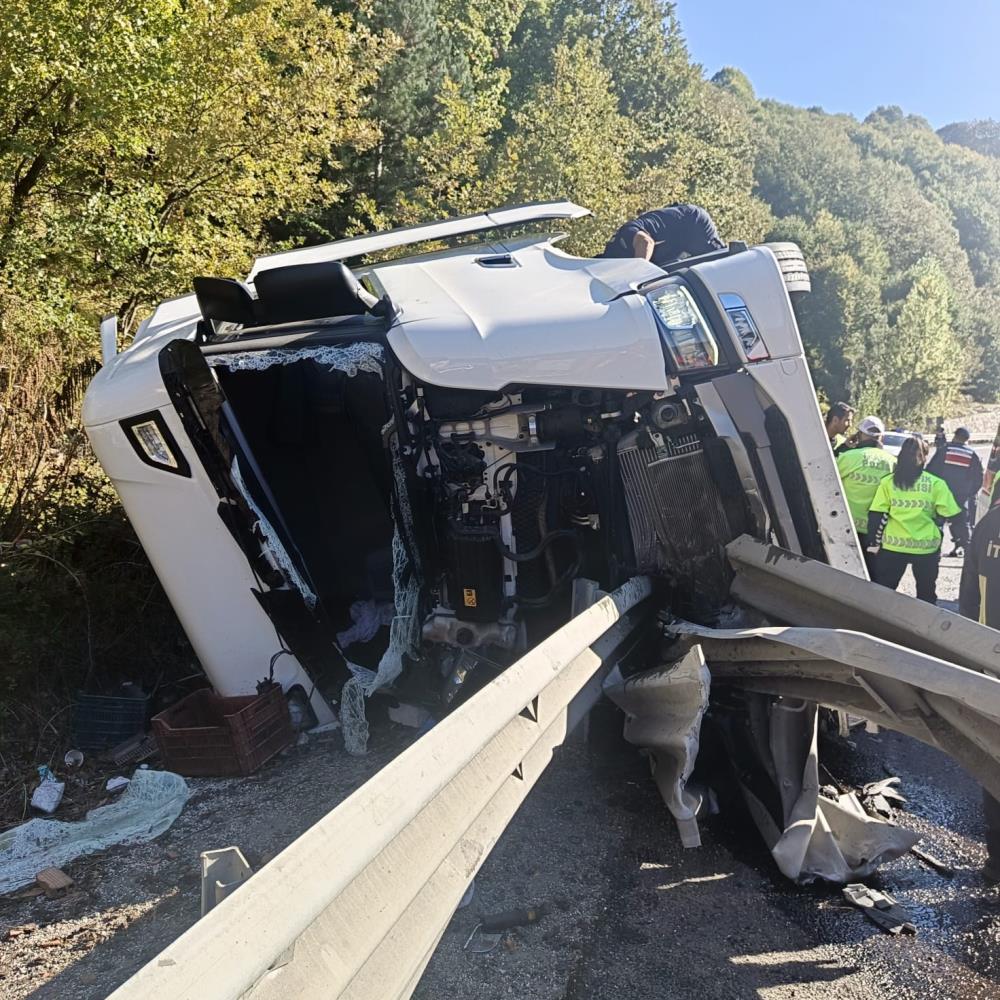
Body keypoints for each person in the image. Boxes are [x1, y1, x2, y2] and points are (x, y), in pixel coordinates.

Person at [957, 476, 1000, 883]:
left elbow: (968, 600)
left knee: (995, 763)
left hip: (991, 665)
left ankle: (997, 861)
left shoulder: (990, 523)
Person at [867, 435, 961, 604]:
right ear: (924, 457)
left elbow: (876, 516)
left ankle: (878, 620)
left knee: (883, 593)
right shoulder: (936, 484)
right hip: (926, 548)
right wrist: (963, 541)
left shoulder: (888, 482)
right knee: (926, 595)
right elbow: (954, 515)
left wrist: (873, 544)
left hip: (893, 546)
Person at [835, 416, 896, 573]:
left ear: (859, 435)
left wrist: (844, 447)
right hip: (875, 531)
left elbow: (827, 480)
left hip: (845, 525)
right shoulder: (892, 462)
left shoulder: (848, 457)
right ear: (881, 437)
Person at [602, 204, 724, 268]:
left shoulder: (624, 235)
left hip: (693, 223)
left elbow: (646, 242)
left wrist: (636, 276)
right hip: (678, 241)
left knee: (721, 261)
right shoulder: (626, 258)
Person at [928, 426, 984, 556]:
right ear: (967, 439)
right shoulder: (972, 454)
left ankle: (933, 551)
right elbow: (978, 478)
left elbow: (931, 471)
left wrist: (933, 491)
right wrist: (968, 493)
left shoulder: (945, 450)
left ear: (955, 436)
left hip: (941, 495)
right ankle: (968, 553)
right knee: (962, 525)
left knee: (937, 523)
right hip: (961, 497)